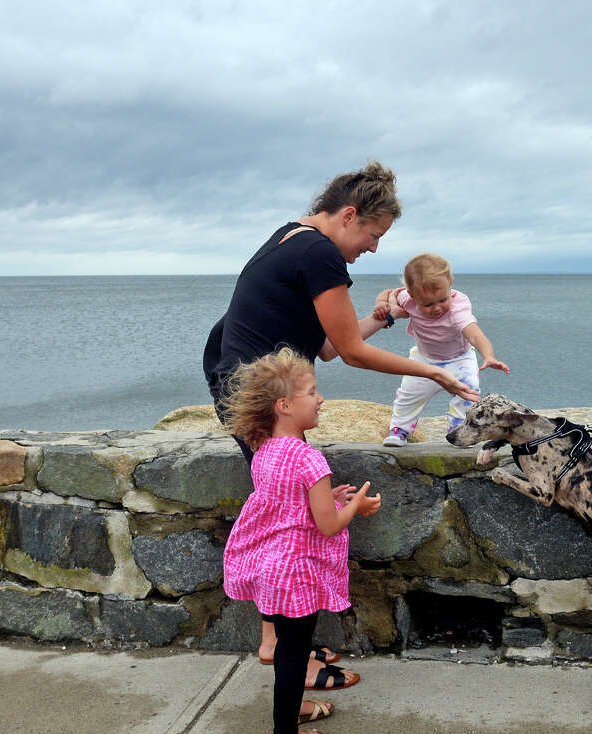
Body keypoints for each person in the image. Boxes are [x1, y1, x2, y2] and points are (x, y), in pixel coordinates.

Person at [203, 163, 480, 688]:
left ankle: (280, 640)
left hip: (249, 387)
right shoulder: (319, 252)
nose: (373, 248)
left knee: (285, 509)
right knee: (293, 524)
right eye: (374, 234)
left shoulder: (292, 237)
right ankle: (281, 647)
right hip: (265, 399)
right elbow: (351, 353)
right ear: (349, 215)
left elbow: (329, 346)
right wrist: (433, 371)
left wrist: (386, 318)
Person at [220, 348, 382, 734]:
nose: (321, 398)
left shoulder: (265, 450)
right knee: (294, 656)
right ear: (285, 405)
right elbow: (327, 525)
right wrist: (355, 507)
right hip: (296, 575)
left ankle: (295, 709)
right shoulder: (310, 459)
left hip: (269, 568)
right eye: (312, 392)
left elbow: (288, 504)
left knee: (290, 651)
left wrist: (331, 497)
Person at [372, 253, 509, 446]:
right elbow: (389, 293)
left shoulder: (457, 308)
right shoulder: (407, 298)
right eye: (427, 304)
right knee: (409, 395)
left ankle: (458, 429)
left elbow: (474, 333)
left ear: (450, 283)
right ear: (412, 295)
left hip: (459, 359)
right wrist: (381, 303)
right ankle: (399, 430)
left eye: (442, 300)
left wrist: (488, 355)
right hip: (424, 358)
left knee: (469, 393)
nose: (437, 308)